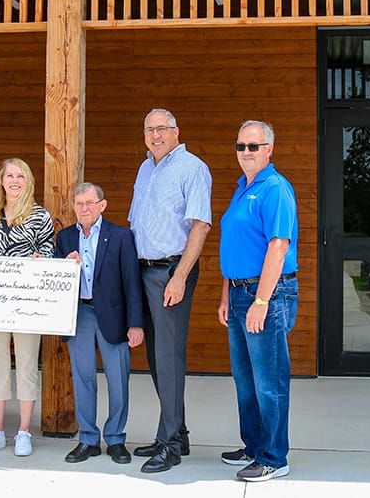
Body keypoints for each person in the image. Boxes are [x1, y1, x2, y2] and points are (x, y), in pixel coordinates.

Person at [128, 108, 212, 474]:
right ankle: (176, 431)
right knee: (155, 355)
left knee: (169, 357)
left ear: (177, 131)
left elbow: (200, 225)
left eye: (162, 129)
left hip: (170, 272)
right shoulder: (146, 168)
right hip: (142, 271)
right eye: (150, 129)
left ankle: (170, 444)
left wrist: (180, 275)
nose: (156, 135)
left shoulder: (192, 168)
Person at [217, 120, 299, 482]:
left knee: (270, 380)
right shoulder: (243, 188)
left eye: (254, 146)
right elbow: (235, 248)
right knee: (245, 378)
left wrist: (262, 301)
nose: (246, 153)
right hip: (238, 292)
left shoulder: (275, 188)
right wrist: (226, 296)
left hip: (266, 294)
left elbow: (278, 247)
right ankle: (253, 446)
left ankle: (273, 457)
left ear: (269, 149)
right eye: (241, 146)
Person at [55, 182, 144, 465]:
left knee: (118, 379)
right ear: (73, 207)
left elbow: (132, 282)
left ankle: (116, 438)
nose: (84, 209)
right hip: (79, 314)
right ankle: (88, 439)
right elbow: (56, 278)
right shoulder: (66, 237)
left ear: (102, 205)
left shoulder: (120, 236)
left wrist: (135, 323)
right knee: (83, 379)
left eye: (90, 203)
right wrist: (66, 265)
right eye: (79, 204)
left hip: (114, 316)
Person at [0, 158, 55, 457]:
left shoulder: (40, 216)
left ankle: (22, 432)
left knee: (28, 366)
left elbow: (48, 252)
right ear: (2, 180)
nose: (15, 181)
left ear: (28, 181)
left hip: (26, 306)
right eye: (10, 175)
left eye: (21, 175)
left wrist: (40, 260)